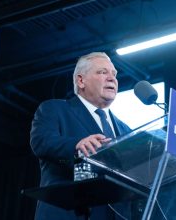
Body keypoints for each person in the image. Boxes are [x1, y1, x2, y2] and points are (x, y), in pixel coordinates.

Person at [30, 52, 132, 220]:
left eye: (114, 74)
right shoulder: (55, 109)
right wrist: (76, 145)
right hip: (70, 213)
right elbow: (42, 142)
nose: (111, 78)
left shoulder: (125, 129)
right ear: (81, 80)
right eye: (102, 72)